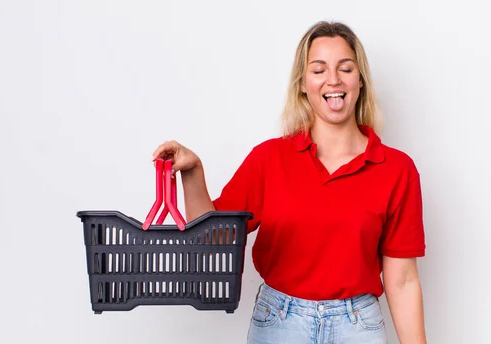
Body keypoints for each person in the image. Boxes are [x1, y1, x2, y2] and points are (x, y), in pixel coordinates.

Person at [153, 21, 427, 344]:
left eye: (346, 68)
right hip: (279, 323)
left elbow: (403, 281)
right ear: (302, 83)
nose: (333, 80)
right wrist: (193, 172)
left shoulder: (397, 170)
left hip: (358, 327)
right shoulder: (269, 159)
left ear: (360, 80)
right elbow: (212, 241)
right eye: (319, 70)